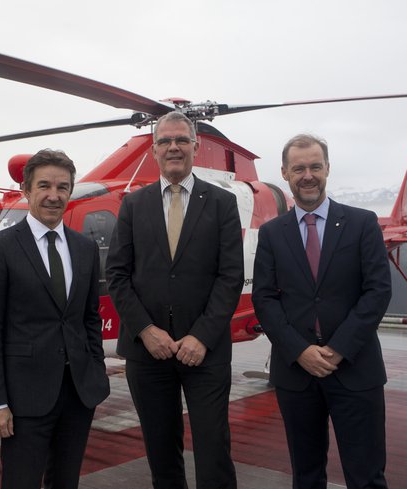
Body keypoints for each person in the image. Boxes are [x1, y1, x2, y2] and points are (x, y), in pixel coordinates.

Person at [105, 111, 245, 489]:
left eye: (182, 140)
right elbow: (117, 275)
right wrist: (145, 330)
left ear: (196, 147)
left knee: (213, 449)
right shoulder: (134, 205)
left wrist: (202, 336)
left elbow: (231, 276)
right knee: (161, 452)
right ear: (153, 151)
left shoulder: (221, 203)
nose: (174, 147)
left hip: (205, 351)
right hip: (148, 352)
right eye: (165, 141)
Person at [252, 134, 391, 489]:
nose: (307, 175)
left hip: (356, 368)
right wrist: (300, 351)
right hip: (297, 376)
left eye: (315, 166)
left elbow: (378, 291)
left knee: (367, 477)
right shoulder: (271, 234)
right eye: (298, 168)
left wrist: (338, 348)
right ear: (284, 173)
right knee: (306, 476)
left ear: (327, 168)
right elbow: (265, 299)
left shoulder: (362, 223)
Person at [0, 149, 110, 489]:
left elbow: (89, 318)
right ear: (26, 191)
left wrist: (95, 370)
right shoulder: (0, 248)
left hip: (78, 394)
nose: (54, 195)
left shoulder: (84, 248)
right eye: (45, 186)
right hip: (23, 398)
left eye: (63, 187)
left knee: (66, 482)